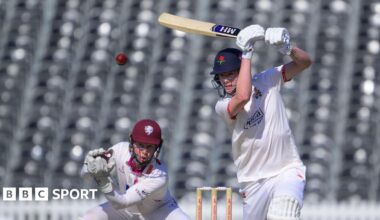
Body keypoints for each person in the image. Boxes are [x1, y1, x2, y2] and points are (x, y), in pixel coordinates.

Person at [210, 25, 312, 220]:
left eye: (231, 73)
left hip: (286, 170)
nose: (227, 80)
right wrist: (247, 52)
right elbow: (243, 96)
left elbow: (305, 63)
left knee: (284, 213)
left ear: (243, 70)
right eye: (223, 75)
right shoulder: (222, 106)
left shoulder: (267, 79)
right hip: (252, 180)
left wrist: (288, 48)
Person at [80, 119, 190, 220]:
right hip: (125, 211)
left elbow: (122, 202)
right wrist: (88, 166)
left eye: (150, 147)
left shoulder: (159, 174)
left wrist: (103, 180)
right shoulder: (120, 150)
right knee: (89, 217)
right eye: (141, 145)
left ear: (157, 148)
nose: (144, 152)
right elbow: (86, 176)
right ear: (132, 143)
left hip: (159, 211)